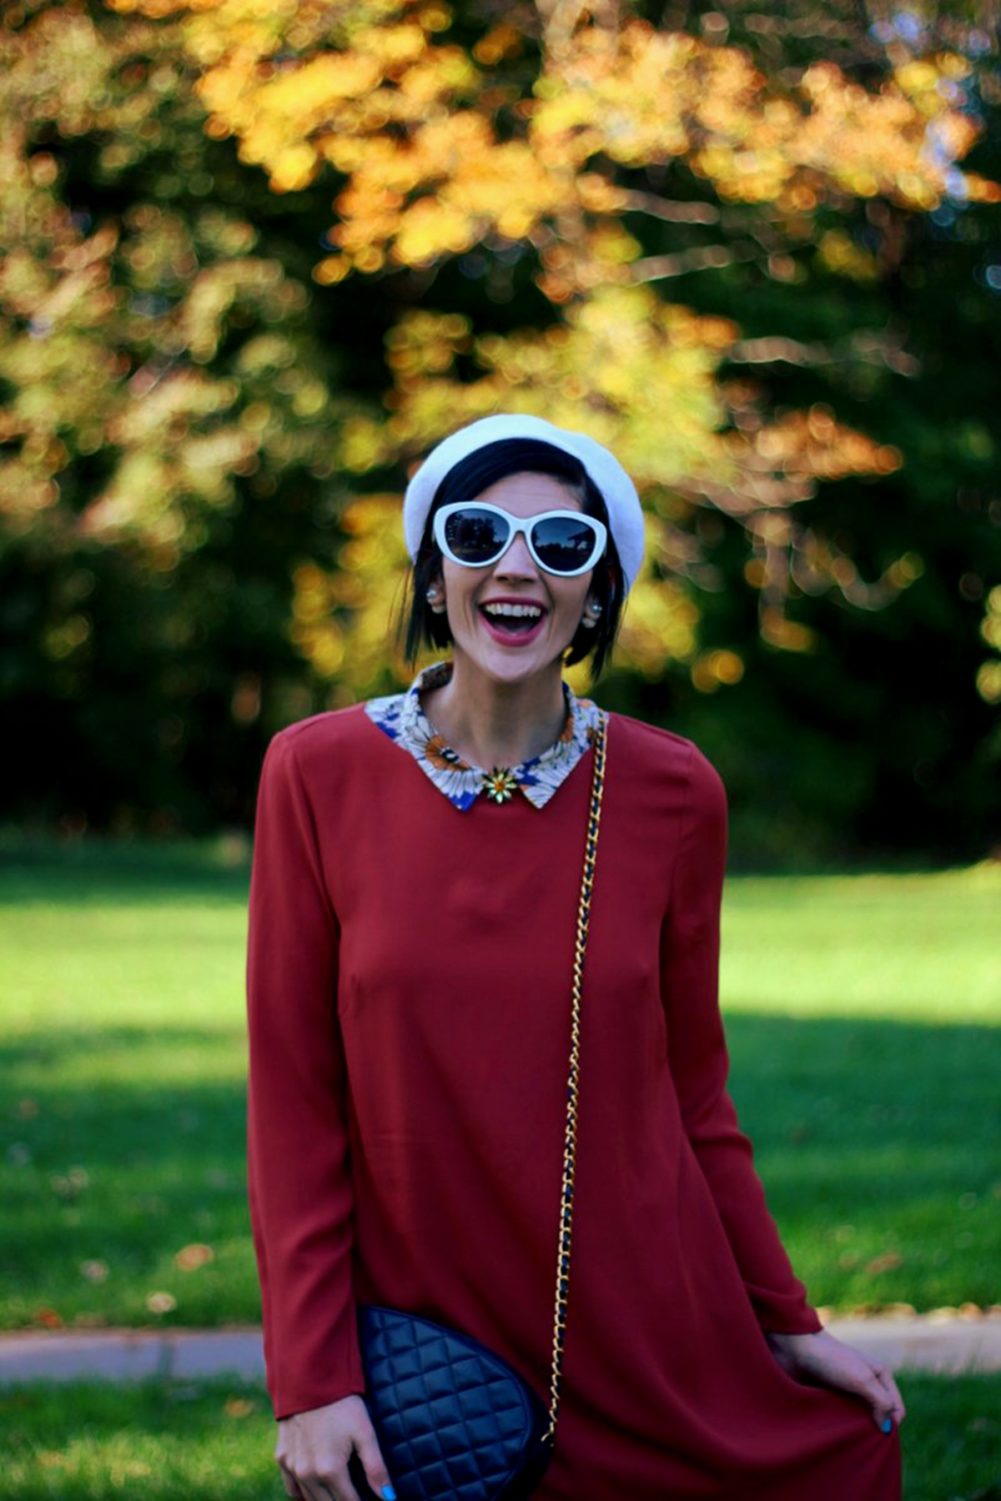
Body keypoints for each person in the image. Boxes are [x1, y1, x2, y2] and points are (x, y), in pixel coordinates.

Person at [245, 413, 906, 1501]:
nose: (516, 569)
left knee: (839, 1452)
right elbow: (293, 1101)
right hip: (434, 1338)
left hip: (644, 1315)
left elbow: (695, 1098)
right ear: (433, 572)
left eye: (560, 546)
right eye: (478, 536)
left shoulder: (672, 789)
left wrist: (786, 1323)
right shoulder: (313, 773)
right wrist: (311, 1379)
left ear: (594, 592)